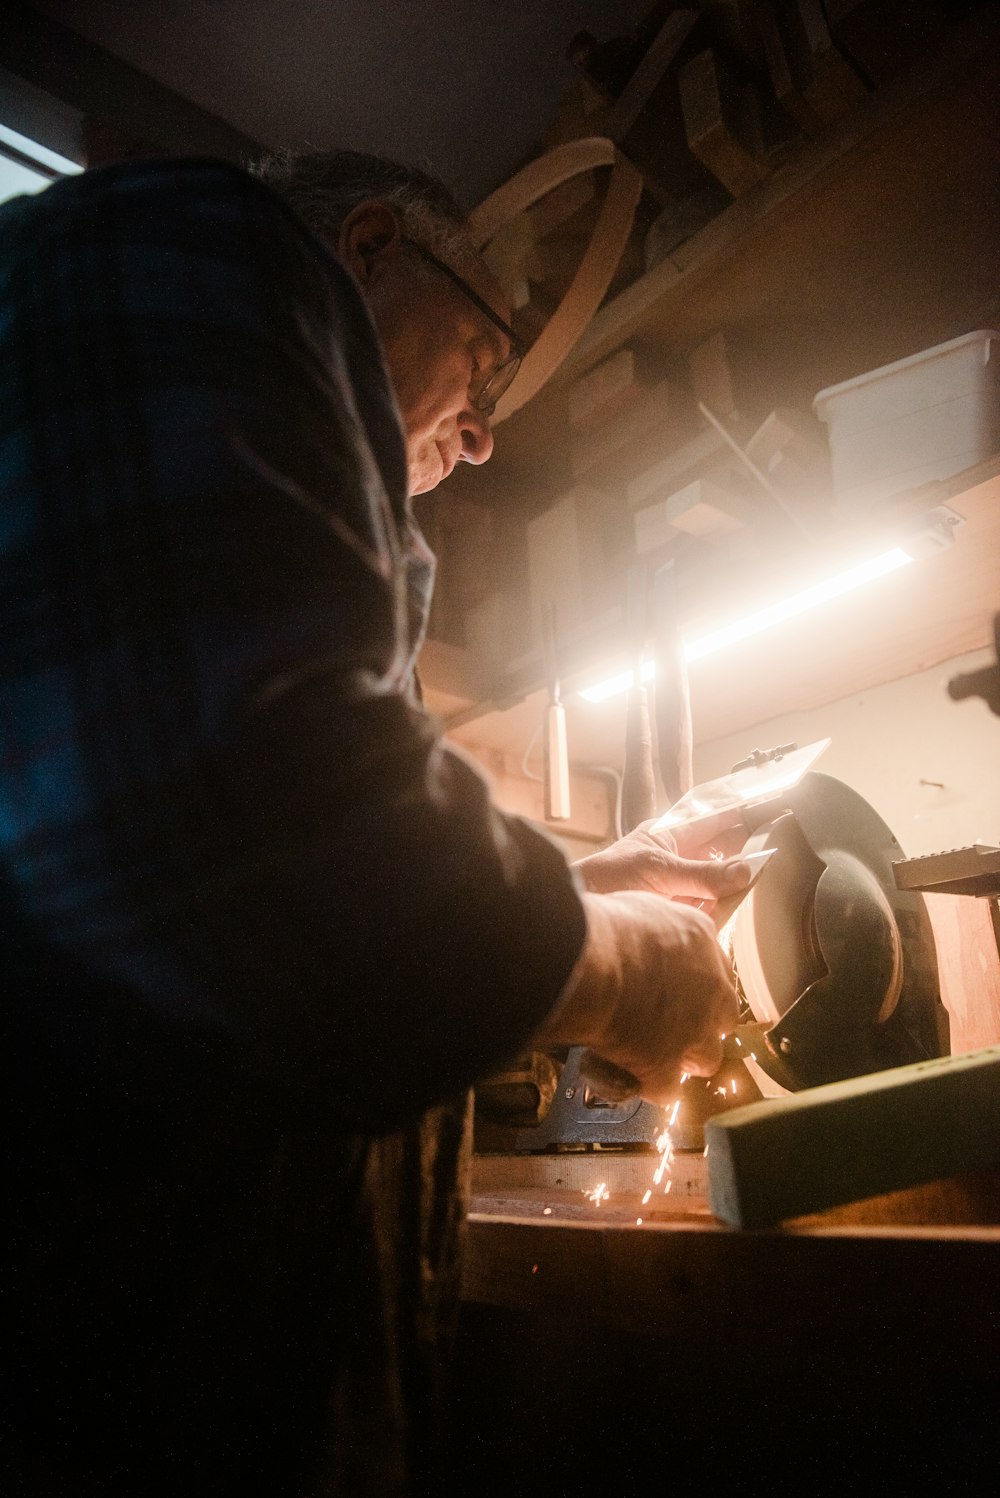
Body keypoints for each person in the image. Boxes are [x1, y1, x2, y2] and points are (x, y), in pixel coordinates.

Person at [1, 148, 748, 1496]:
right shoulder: (194, 238)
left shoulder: (262, 500)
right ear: (366, 245)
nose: (489, 429)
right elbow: (292, 864)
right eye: (491, 351)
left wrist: (577, 893)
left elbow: (274, 834)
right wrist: (632, 967)